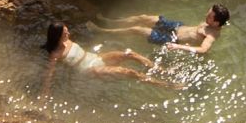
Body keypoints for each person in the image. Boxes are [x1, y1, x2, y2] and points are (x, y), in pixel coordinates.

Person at [41, 22, 177, 96]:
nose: (68, 34)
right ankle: (165, 85)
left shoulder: (67, 40)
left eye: (67, 31)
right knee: (130, 73)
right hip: (89, 69)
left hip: (94, 57)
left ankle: (161, 70)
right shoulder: (55, 54)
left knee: (130, 54)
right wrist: (45, 92)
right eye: (65, 33)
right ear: (57, 36)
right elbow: (50, 73)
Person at [96, 4, 229, 55]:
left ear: (216, 23)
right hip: (176, 26)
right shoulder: (210, 23)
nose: (206, 14)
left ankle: (102, 31)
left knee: (136, 29)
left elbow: (203, 49)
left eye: (210, 15)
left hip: (172, 39)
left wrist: (178, 47)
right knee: (143, 17)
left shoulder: (212, 35)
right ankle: (110, 22)